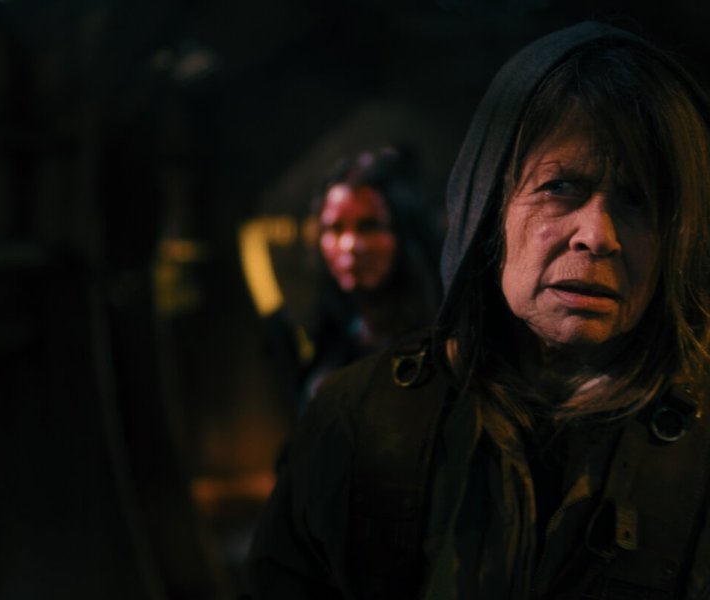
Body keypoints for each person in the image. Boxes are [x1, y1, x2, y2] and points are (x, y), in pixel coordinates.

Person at [245, 20, 710, 599]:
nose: (597, 235)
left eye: (639, 200)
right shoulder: (359, 419)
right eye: (560, 186)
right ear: (489, 205)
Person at [254, 146, 442, 417]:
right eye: (335, 228)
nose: (349, 245)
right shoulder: (332, 337)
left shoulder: (442, 345)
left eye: (370, 226)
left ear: (405, 231)